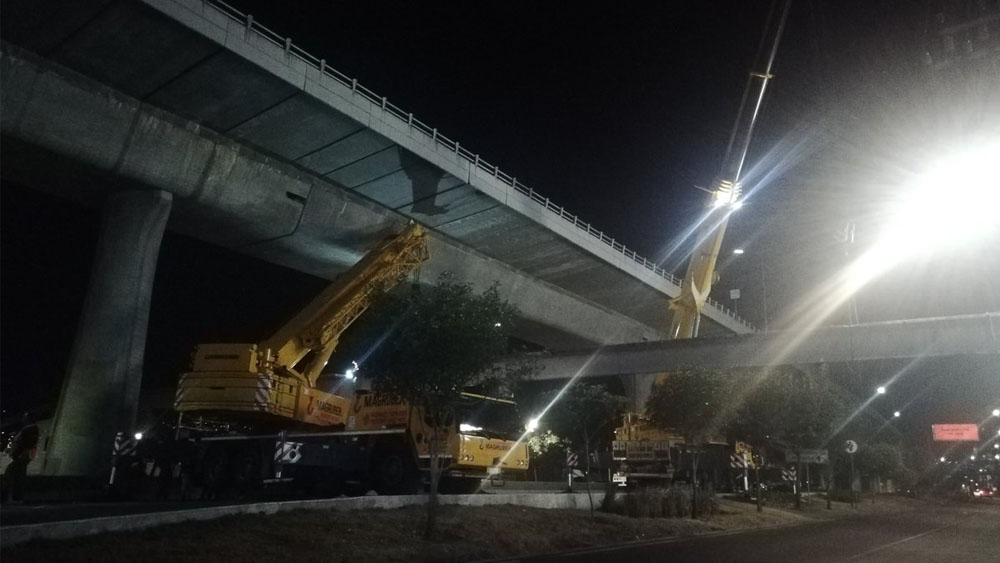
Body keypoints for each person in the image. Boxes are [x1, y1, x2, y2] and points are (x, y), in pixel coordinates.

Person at [2, 413, 40, 504]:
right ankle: (17, 498)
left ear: (28, 419)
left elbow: (21, 443)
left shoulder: (27, 430)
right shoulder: (34, 429)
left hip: (20, 456)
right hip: (24, 456)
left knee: (10, 474)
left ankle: (7, 497)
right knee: (19, 476)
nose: (23, 420)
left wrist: (14, 453)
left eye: (25, 418)